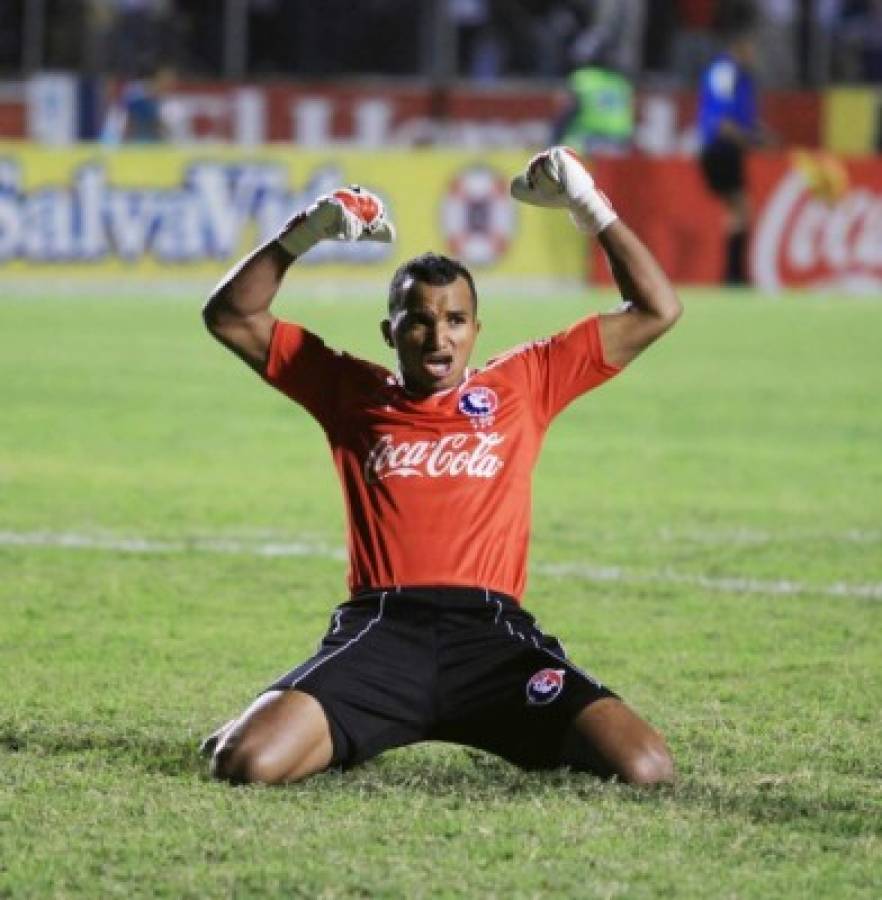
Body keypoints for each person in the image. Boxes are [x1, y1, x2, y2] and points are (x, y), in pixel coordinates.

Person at [200, 147, 681, 787]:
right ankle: (273, 720)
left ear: (477, 329)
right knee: (247, 763)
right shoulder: (349, 390)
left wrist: (587, 205)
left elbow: (655, 309)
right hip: (382, 633)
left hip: (491, 638)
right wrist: (307, 232)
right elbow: (231, 315)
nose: (438, 338)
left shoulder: (527, 381)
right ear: (389, 331)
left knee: (646, 768)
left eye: (455, 320)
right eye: (419, 321)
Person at [697, 3, 773, 285]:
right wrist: (752, 139)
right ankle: (733, 274)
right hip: (719, 149)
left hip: (728, 149)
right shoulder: (724, 72)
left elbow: (741, 119)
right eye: (751, 47)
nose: (755, 53)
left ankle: (734, 273)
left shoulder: (741, 76)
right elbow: (721, 122)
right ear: (739, 45)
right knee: (740, 208)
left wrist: (758, 133)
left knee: (738, 209)